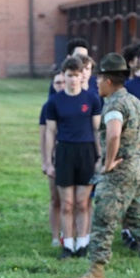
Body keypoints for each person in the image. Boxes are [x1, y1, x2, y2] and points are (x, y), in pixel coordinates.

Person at [70, 53, 140, 278]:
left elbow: (113, 134)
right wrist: (137, 154)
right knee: (139, 218)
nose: (97, 84)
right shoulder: (136, 102)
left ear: (108, 81)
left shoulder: (114, 104)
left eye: (99, 79)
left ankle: (96, 270)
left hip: (118, 172)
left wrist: (109, 162)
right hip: (137, 168)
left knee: (103, 218)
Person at [43, 55, 101, 258]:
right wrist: (49, 161)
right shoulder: (55, 102)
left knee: (82, 203)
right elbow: (50, 132)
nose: (73, 79)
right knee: (66, 203)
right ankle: (68, 244)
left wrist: (100, 157)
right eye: (69, 75)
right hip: (65, 151)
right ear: (63, 76)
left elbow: (96, 130)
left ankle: (83, 243)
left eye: (76, 75)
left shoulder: (92, 99)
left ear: (81, 76)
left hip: (86, 152)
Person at [40, 69, 65, 247]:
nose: (61, 86)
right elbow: (44, 136)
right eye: (57, 83)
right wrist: (46, 161)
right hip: (56, 156)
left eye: (64, 82)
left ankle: (73, 234)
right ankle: (56, 236)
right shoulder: (48, 106)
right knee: (56, 198)